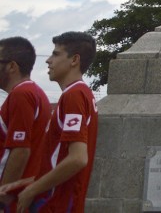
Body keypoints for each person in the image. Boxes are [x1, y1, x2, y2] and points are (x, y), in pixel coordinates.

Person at [16, 32, 98, 213]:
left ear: (74, 60)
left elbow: (78, 158)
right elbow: (57, 160)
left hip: (57, 204)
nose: (48, 60)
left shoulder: (74, 95)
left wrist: (31, 190)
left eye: (56, 54)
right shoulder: (80, 94)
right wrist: (21, 184)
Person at [0, 37, 52, 204]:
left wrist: (3, 196)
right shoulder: (35, 92)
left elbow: (20, 149)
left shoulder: (21, 94)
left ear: (12, 66)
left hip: (13, 197)